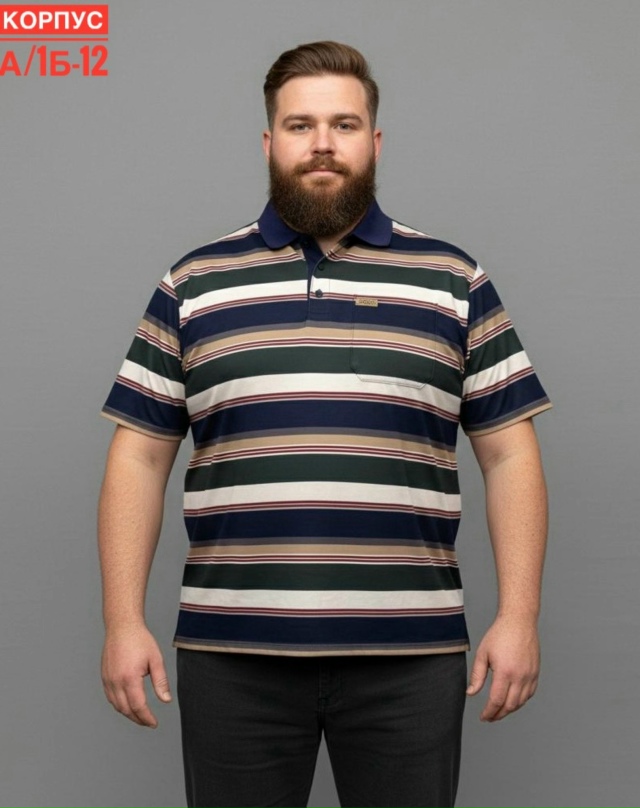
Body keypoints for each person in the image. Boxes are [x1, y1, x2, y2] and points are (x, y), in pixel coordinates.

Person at [98, 41, 551, 808]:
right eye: (300, 125)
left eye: (344, 125)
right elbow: (138, 457)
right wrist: (121, 622)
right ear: (268, 142)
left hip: (410, 658)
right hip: (231, 656)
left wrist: (519, 617)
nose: (322, 144)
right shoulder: (193, 284)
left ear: (374, 141)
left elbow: (510, 454)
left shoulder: (453, 280)